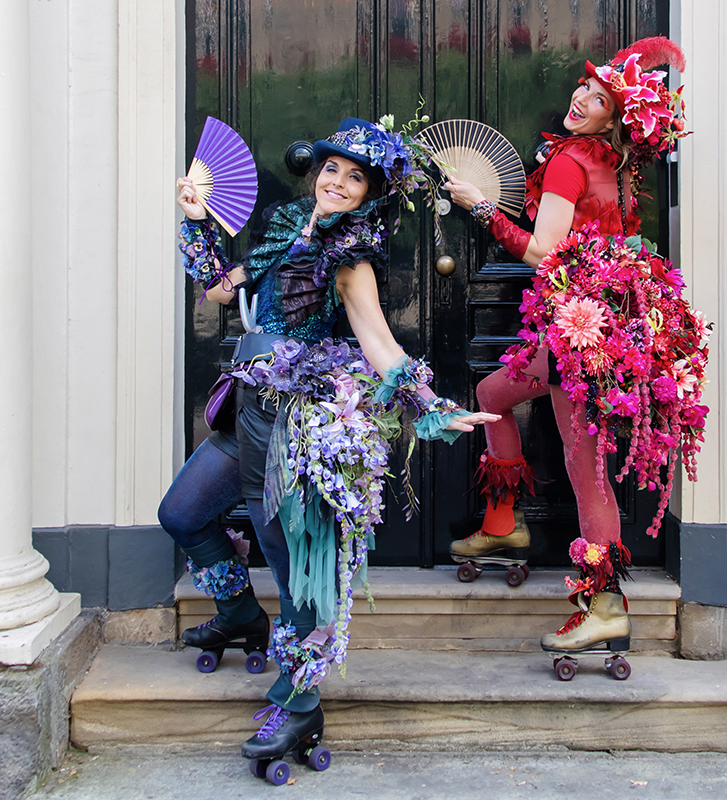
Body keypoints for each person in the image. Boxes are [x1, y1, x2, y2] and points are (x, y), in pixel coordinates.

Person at [159, 117, 498, 770]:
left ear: (370, 192)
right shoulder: (288, 225)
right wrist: (197, 222)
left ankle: (300, 704)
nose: (338, 181)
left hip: (292, 427)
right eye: (332, 168)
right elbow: (221, 289)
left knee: (296, 569)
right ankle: (239, 613)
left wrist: (429, 405)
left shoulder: (350, 254)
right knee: (182, 513)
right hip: (245, 411)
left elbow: (378, 339)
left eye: (355, 176)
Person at [443, 37, 698, 659]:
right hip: (587, 329)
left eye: (599, 98)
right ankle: (502, 525)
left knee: (586, 467)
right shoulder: (614, 165)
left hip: (575, 336)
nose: (582, 98)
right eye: (585, 87)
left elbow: (542, 252)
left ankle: (604, 607)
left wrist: (480, 207)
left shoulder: (568, 162)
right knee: (491, 394)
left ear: (614, 119)